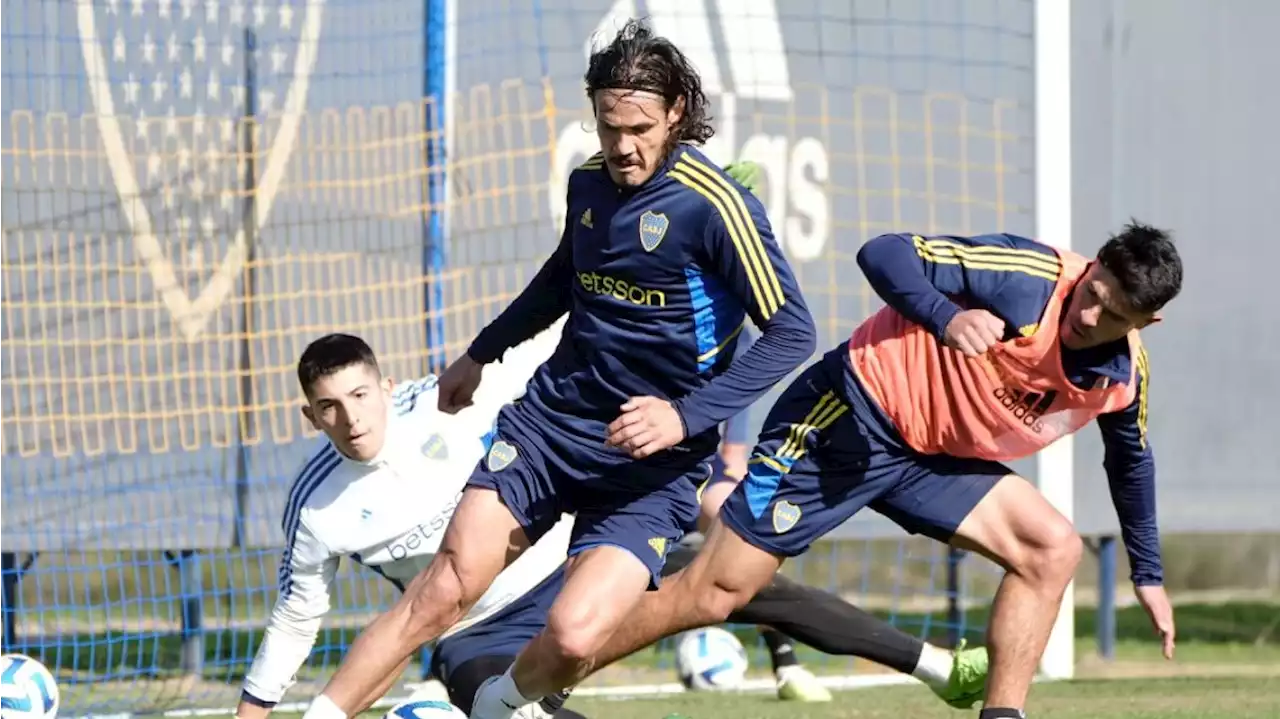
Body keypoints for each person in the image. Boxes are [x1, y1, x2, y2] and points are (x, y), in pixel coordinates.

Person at [298, 19, 818, 719]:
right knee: (443, 589)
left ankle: (498, 705)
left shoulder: (716, 207)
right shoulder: (588, 187)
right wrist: (480, 352)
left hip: (650, 464)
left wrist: (684, 415)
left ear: (676, 115)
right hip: (552, 426)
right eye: (608, 128)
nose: (623, 146)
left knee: (573, 637)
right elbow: (561, 278)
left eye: (640, 128)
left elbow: (793, 330)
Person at [511, 223, 1185, 719]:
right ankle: (532, 683)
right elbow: (884, 252)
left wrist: (1147, 574)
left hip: (931, 458)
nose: (1088, 315)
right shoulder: (1025, 276)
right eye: (1092, 291)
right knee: (715, 592)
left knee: (1052, 548)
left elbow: (1129, 460)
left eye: (1112, 315)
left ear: (1144, 323)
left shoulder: (1123, 376)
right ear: (1091, 265)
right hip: (849, 415)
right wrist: (946, 317)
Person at [252, 333, 986, 719]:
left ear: (385, 384)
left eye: (359, 394)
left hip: (566, 573)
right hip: (476, 634)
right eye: (330, 407)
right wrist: (254, 712)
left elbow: (550, 347)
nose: (352, 419)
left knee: (728, 573)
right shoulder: (316, 505)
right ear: (310, 415)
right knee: (493, 709)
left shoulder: (446, 402)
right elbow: (296, 614)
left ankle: (940, 667)